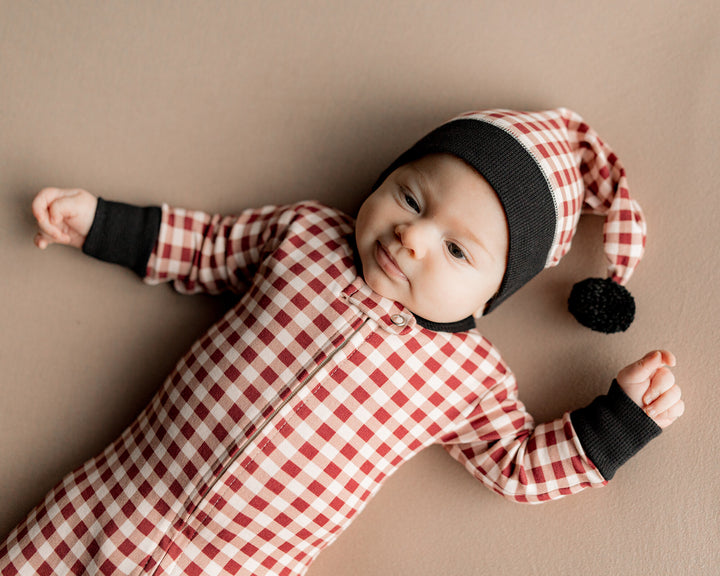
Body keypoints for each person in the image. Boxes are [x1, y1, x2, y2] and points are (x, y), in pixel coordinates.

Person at [2, 108, 684, 576]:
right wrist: (97, 224)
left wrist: (618, 422)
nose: (411, 238)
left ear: (490, 298)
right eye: (411, 198)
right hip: (116, 499)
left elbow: (515, 465)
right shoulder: (304, 237)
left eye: (455, 249)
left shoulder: (468, 377)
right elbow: (205, 248)